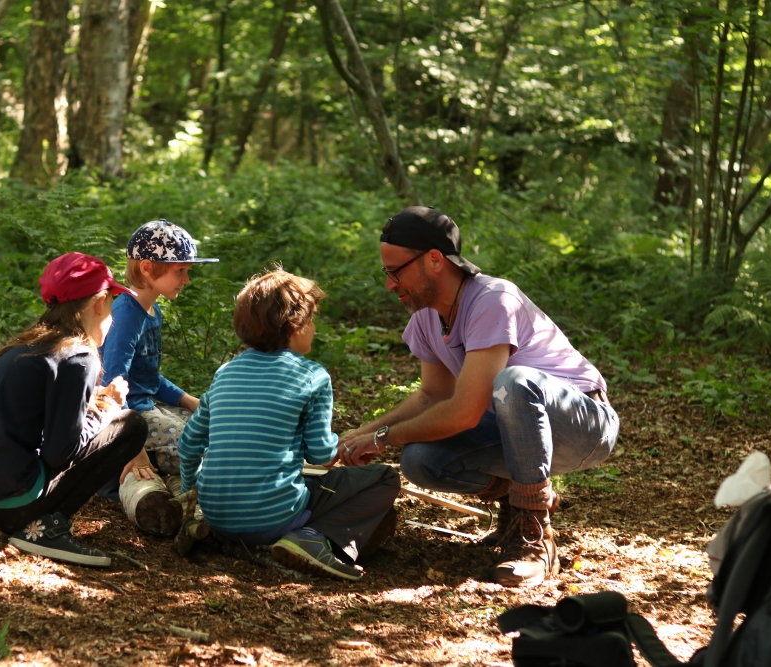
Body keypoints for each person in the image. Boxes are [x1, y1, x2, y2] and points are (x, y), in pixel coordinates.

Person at [337, 206, 620, 587]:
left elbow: (466, 412)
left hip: (584, 425)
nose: (390, 284)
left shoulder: (492, 299)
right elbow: (433, 397)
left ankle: (536, 536)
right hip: (518, 430)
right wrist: (361, 435)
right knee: (421, 459)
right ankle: (518, 501)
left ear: (434, 260)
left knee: (515, 382)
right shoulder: (426, 317)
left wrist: (383, 438)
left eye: (396, 271)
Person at [178, 268, 400, 581]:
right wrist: (348, 445)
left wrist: (191, 495)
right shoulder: (312, 376)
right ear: (294, 326)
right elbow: (322, 455)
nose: (313, 327)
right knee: (385, 478)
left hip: (216, 514)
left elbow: (188, 444)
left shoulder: (225, 373)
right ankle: (313, 539)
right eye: (310, 320)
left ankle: (209, 527)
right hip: (274, 517)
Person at [0, 253, 148, 567]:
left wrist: (94, 403)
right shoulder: (78, 355)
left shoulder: (28, 346)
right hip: (15, 502)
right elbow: (62, 451)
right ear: (98, 304)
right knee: (132, 425)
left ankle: (25, 521)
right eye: (112, 304)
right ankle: (44, 529)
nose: (112, 316)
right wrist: (109, 407)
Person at [98, 219, 218, 496]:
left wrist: (187, 401)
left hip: (148, 407)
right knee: (198, 447)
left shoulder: (153, 311)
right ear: (148, 268)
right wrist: (132, 449)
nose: (186, 280)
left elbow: (146, 375)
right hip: (131, 417)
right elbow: (111, 385)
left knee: (212, 427)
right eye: (180, 271)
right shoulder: (127, 314)